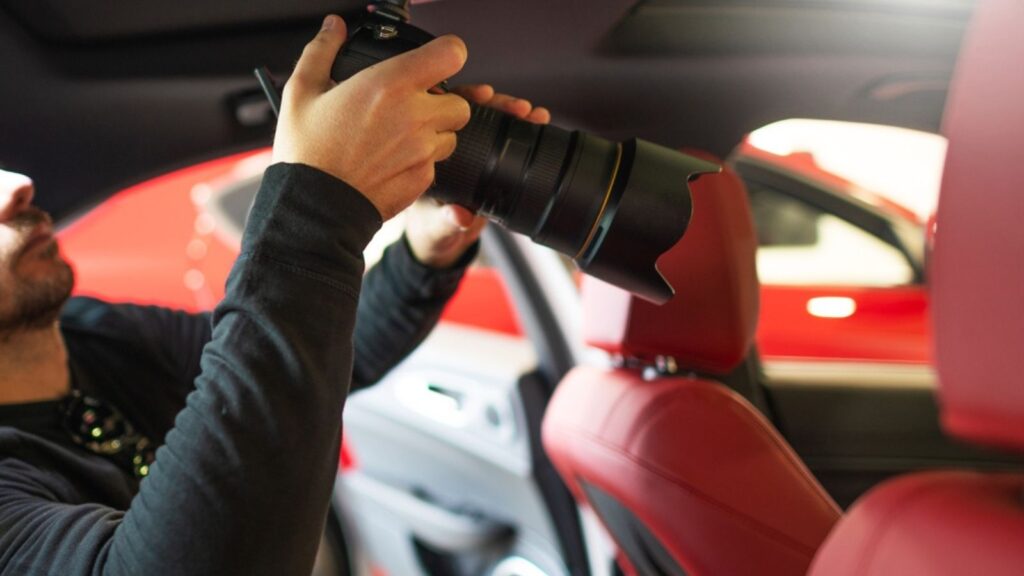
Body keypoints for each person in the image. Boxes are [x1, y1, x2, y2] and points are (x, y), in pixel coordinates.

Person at [0, 15, 549, 575]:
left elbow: (305, 359)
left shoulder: (94, 335)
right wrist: (317, 203)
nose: (16, 185)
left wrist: (427, 251)